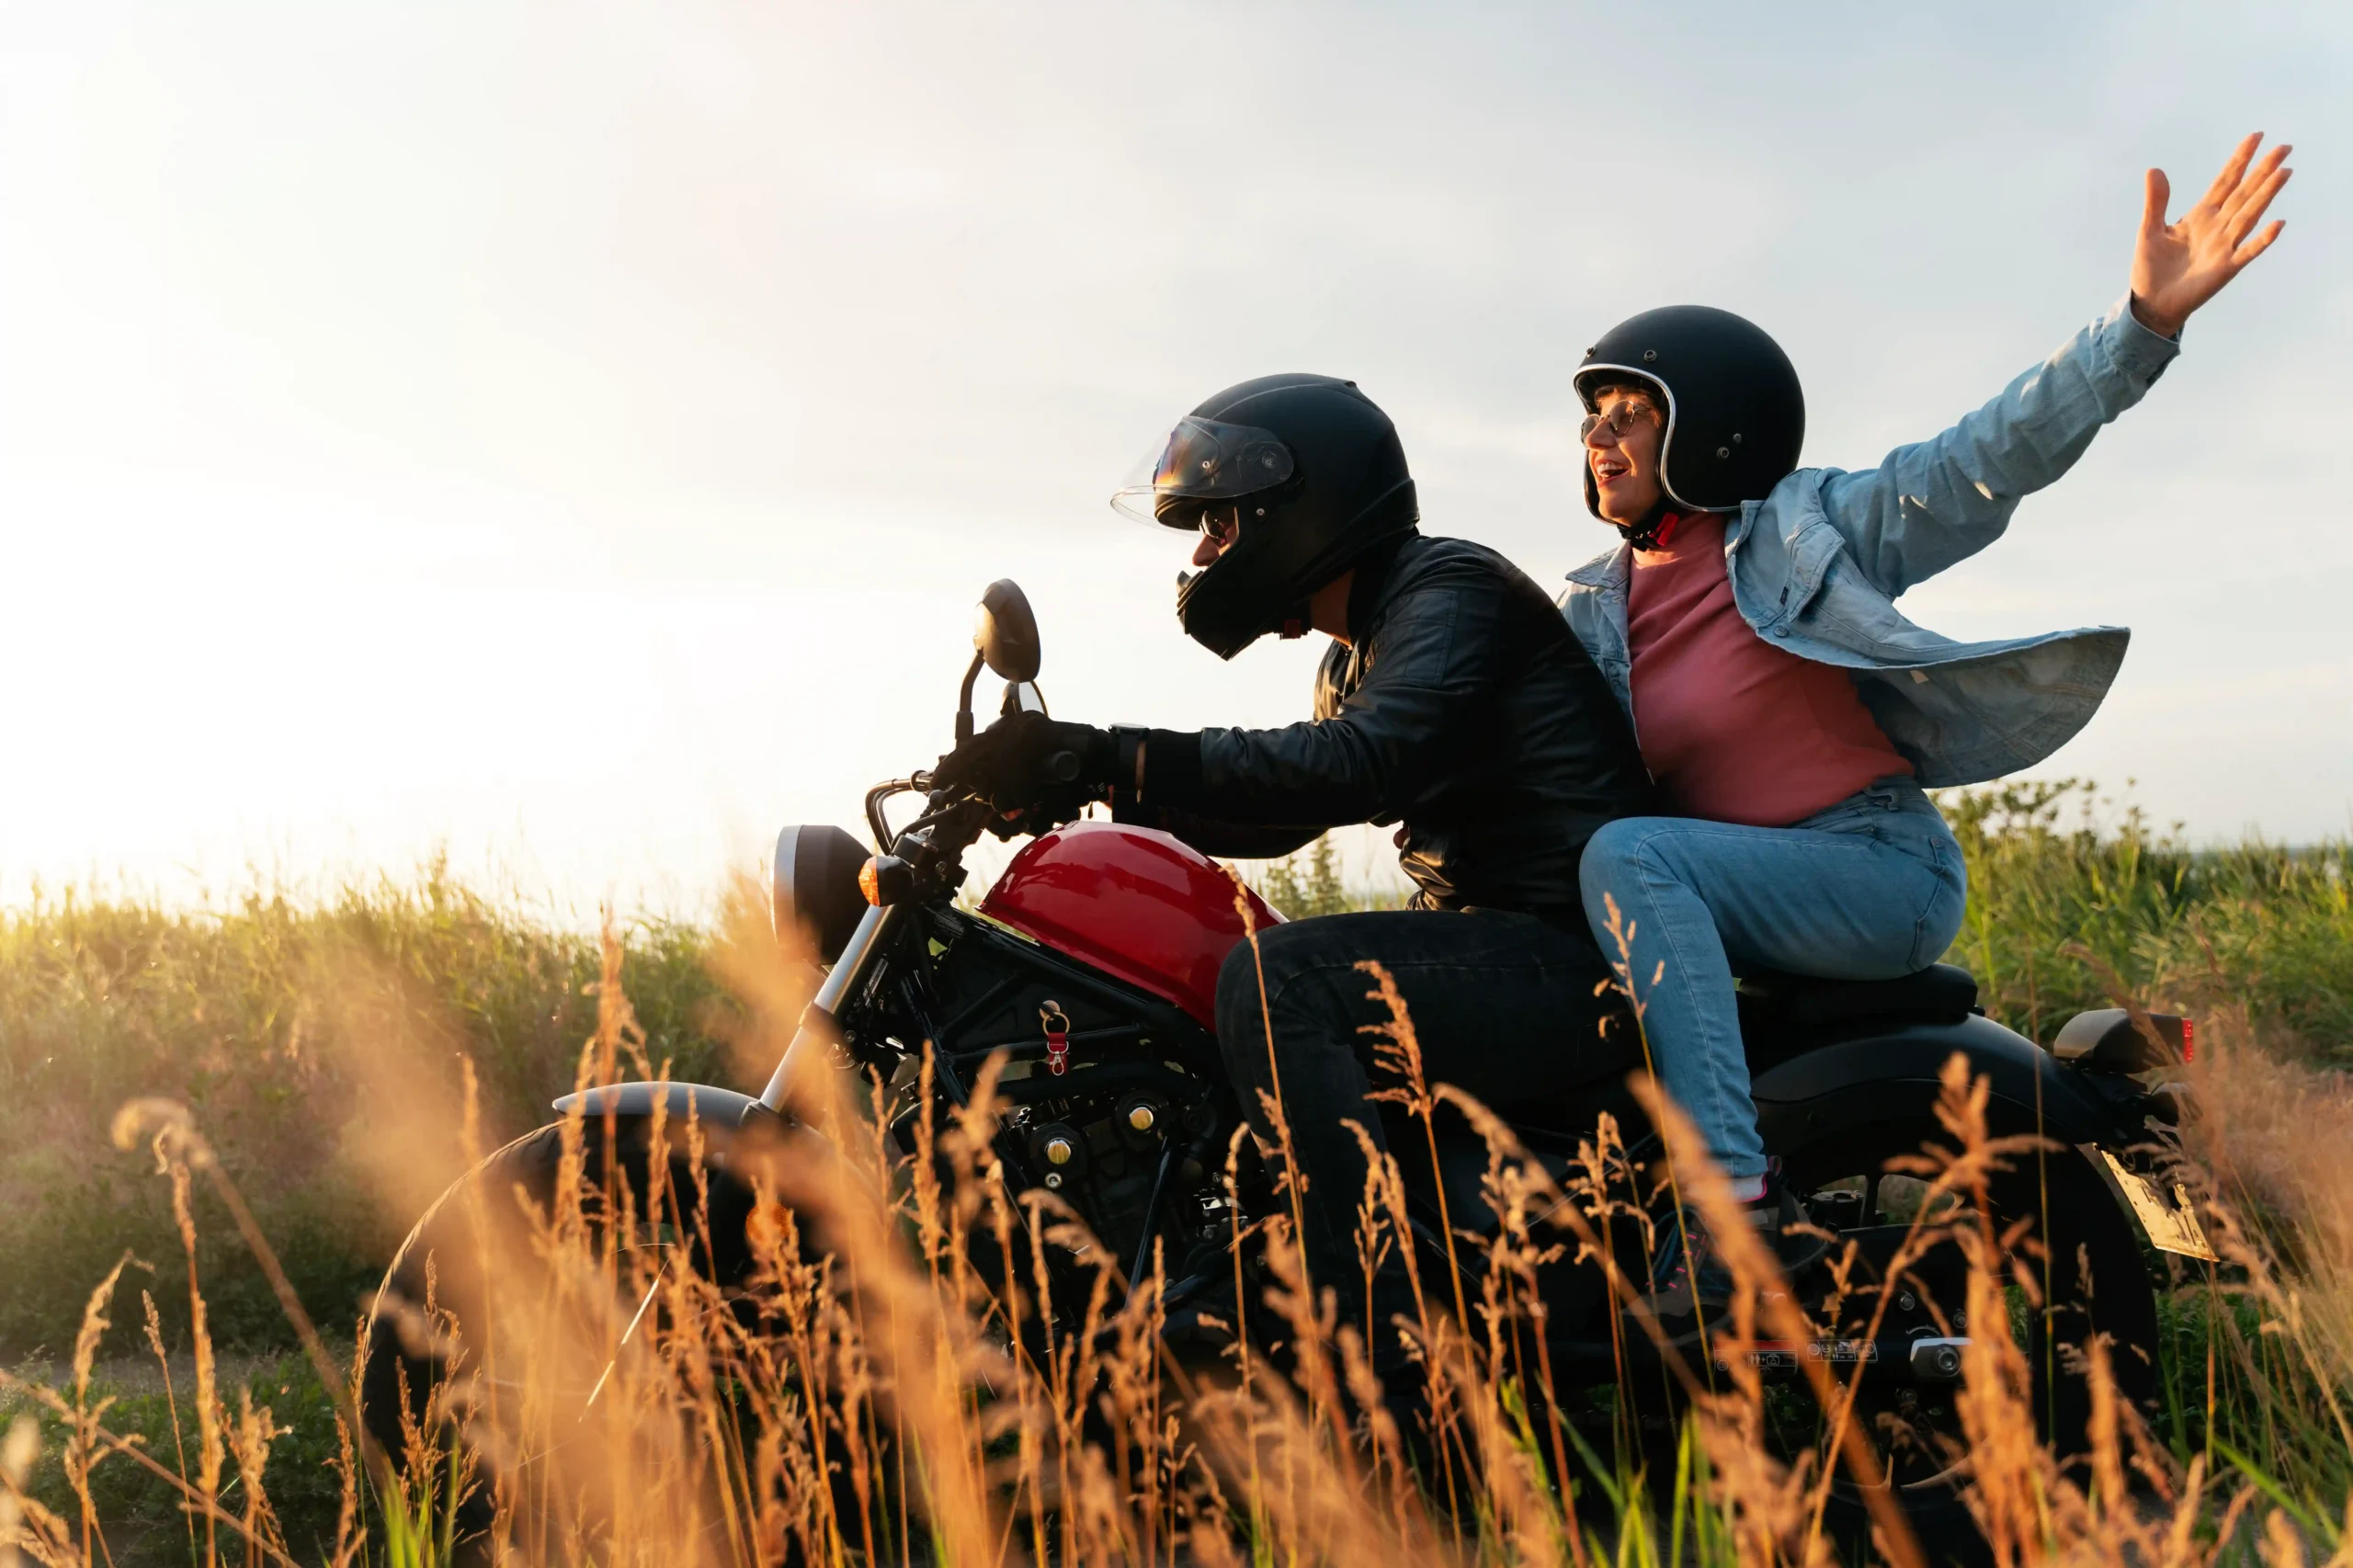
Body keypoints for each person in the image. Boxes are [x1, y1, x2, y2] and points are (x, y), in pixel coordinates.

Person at [1559, 134, 2292, 1332]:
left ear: (1715, 427)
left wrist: (2139, 329)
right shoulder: (1592, 605)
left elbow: (1978, 458)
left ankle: (1737, 1209)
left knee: (1629, 857)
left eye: (1635, 412)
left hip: (1873, 869)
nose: (1603, 436)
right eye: (1595, 414)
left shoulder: (1805, 529)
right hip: (1749, 899)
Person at [935, 371, 1657, 1381]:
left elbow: (1364, 760)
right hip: (1502, 942)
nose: (1200, 554)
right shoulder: (1360, 645)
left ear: (1297, 508)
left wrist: (1106, 753)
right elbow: (1285, 812)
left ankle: (1365, 1334)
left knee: (1283, 977)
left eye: (1219, 526)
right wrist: (1084, 785)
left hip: (1570, 949)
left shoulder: (1449, 591)